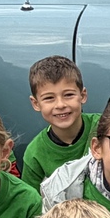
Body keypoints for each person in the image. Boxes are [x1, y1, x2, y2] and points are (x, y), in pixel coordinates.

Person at [21, 55, 100, 192]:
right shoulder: (35, 153)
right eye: (49, 98)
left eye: (68, 95)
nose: (60, 105)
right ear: (36, 103)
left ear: (83, 96)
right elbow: (31, 200)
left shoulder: (104, 126)